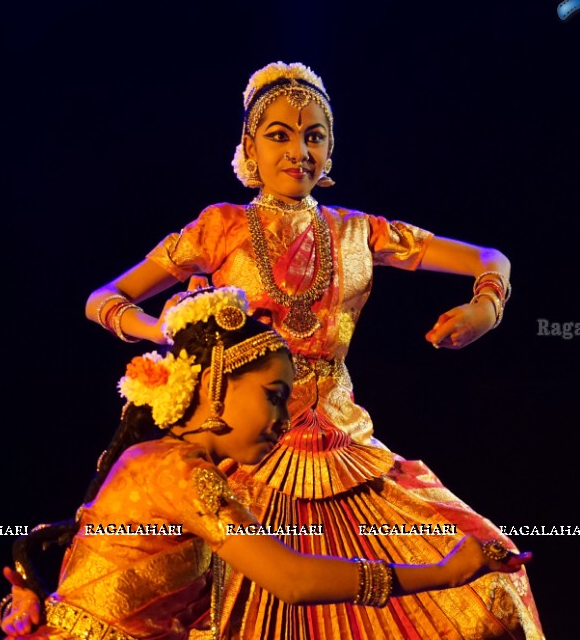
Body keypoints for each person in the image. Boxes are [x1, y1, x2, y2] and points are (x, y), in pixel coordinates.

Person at [85, 62, 543, 639]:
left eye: (314, 136)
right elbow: (105, 297)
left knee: (488, 578)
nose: (299, 151)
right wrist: (166, 330)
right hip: (244, 452)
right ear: (250, 146)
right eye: (279, 135)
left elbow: (488, 258)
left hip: (344, 448)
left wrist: (487, 307)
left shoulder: (359, 231)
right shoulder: (219, 228)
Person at [0, 287, 530, 639]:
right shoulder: (179, 471)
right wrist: (441, 572)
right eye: (275, 395)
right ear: (212, 384)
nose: (285, 415)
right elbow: (291, 580)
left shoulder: (171, 465)